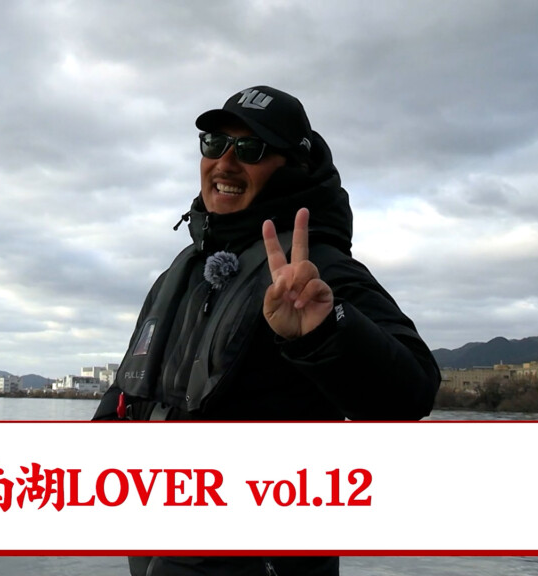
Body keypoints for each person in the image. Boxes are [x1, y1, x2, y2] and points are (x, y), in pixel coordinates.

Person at [92, 86, 441, 576]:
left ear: (290, 167)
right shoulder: (181, 272)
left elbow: (413, 391)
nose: (225, 162)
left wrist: (323, 332)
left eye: (251, 149)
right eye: (214, 143)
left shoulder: (319, 271)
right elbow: (129, 393)